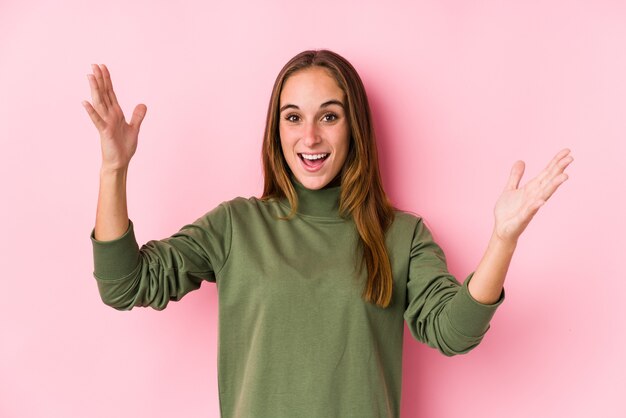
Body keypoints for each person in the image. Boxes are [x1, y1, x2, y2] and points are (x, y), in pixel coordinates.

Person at [83, 49, 573, 418]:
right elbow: (125, 285)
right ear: (277, 129)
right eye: (293, 117)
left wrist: (503, 240)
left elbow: (453, 333)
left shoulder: (401, 235)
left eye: (329, 116)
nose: (310, 136)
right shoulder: (236, 226)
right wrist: (114, 168)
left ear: (353, 126)